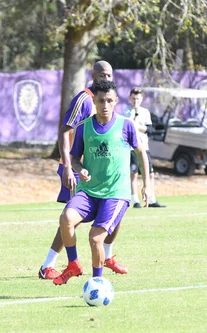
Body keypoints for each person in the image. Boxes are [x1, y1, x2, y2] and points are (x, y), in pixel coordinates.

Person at [53, 80, 152, 285]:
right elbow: (73, 159)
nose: (105, 105)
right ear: (94, 102)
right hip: (88, 192)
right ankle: (73, 264)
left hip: (115, 194)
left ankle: (97, 284)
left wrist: (147, 184)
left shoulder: (126, 125)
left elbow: (141, 153)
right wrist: (81, 170)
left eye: (109, 100)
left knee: (95, 237)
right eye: (100, 101)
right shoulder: (83, 128)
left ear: (116, 101)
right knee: (66, 219)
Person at [38, 61, 128, 280]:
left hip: (98, 169)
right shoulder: (85, 99)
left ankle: (106, 256)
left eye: (110, 75)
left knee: (114, 210)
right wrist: (69, 167)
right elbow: (64, 131)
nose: (107, 79)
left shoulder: (106, 99)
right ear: (94, 76)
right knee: (70, 218)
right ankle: (48, 266)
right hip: (77, 168)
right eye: (103, 75)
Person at [123, 87, 166, 208]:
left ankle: (152, 199)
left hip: (144, 147)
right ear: (129, 99)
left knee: (150, 174)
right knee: (133, 173)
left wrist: (136, 126)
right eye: (133, 99)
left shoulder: (145, 112)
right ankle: (135, 200)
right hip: (131, 149)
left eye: (137, 99)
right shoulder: (125, 112)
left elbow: (150, 129)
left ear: (141, 99)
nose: (135, 101)